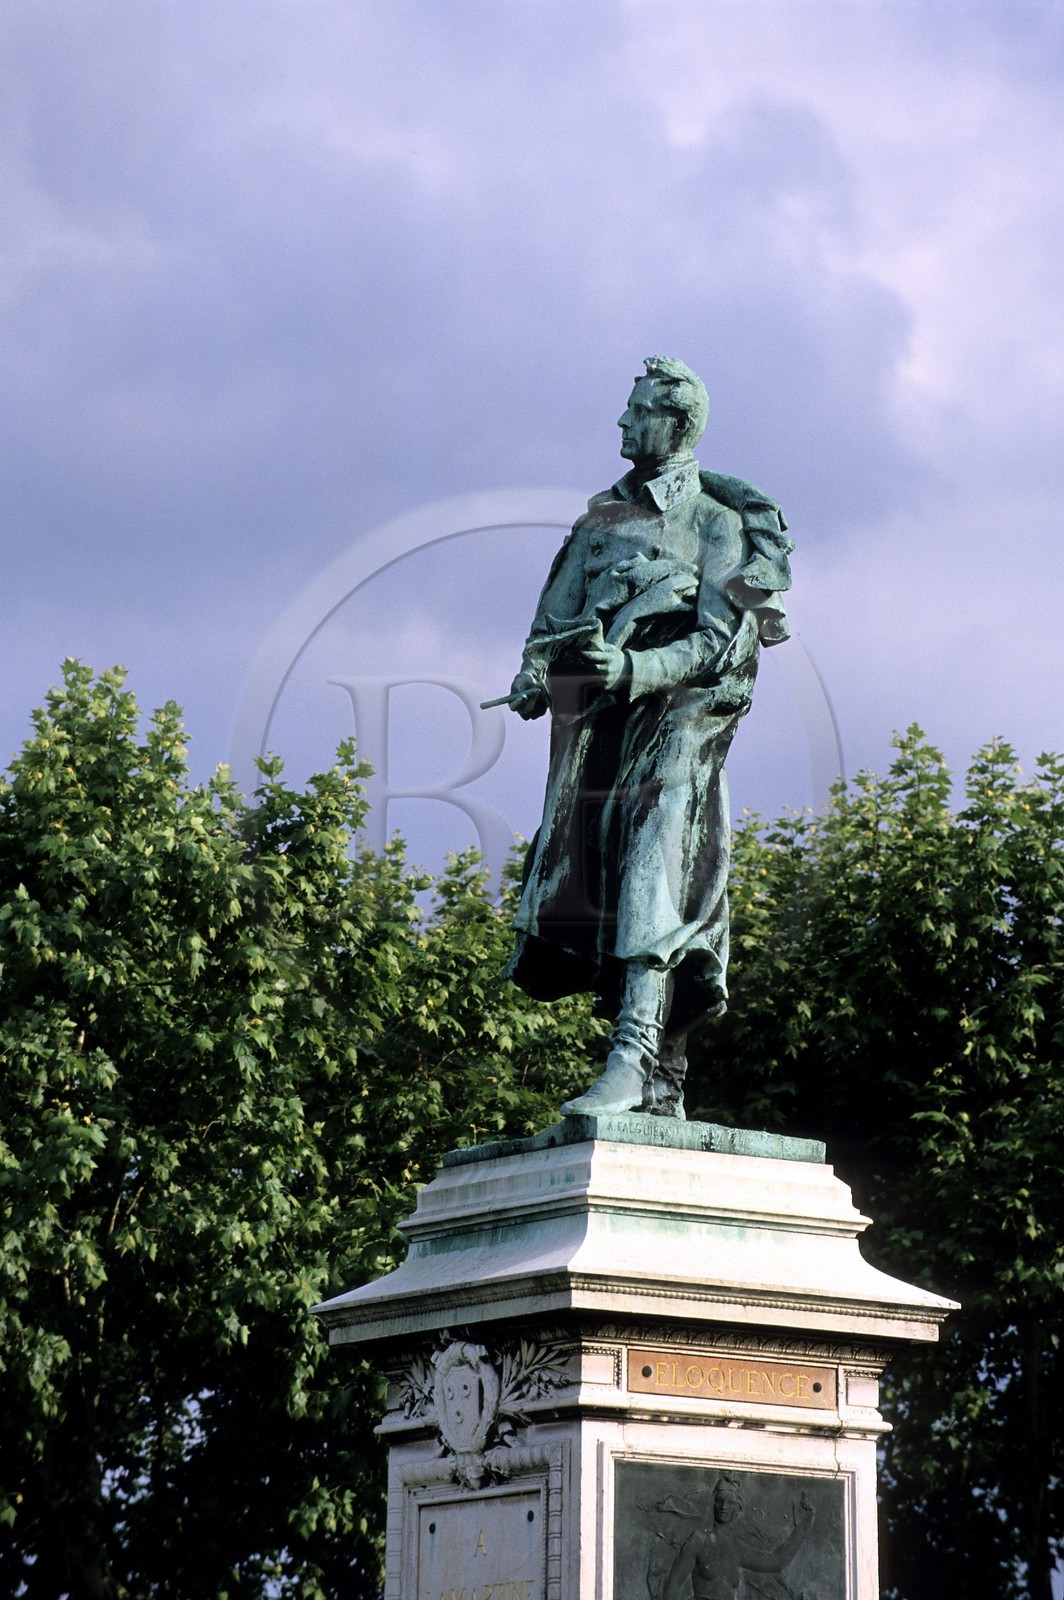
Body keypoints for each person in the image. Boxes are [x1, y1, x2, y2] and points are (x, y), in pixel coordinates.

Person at [502, 357, 793, 1118]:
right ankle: (663, 1078)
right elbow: (552, 619)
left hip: (680, 718)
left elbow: (719, 642)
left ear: (676, 423)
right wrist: (537, 675)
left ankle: (632, 1054)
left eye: (637, 412)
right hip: (599, 726)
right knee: (596, 873)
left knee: (654, 862)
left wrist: (632, 664)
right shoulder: (599, 521)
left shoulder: (717, 525)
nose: (623, 425)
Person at [662, 1476, 814, 1600]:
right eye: (720, 1501)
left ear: (738, 1509)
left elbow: (776, 1562)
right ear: (713, 1503)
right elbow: (674, 1584)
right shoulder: (699, 1541)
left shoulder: (738, 1549)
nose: (724, 1506)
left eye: (730, 1502)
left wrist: (802, 1528)